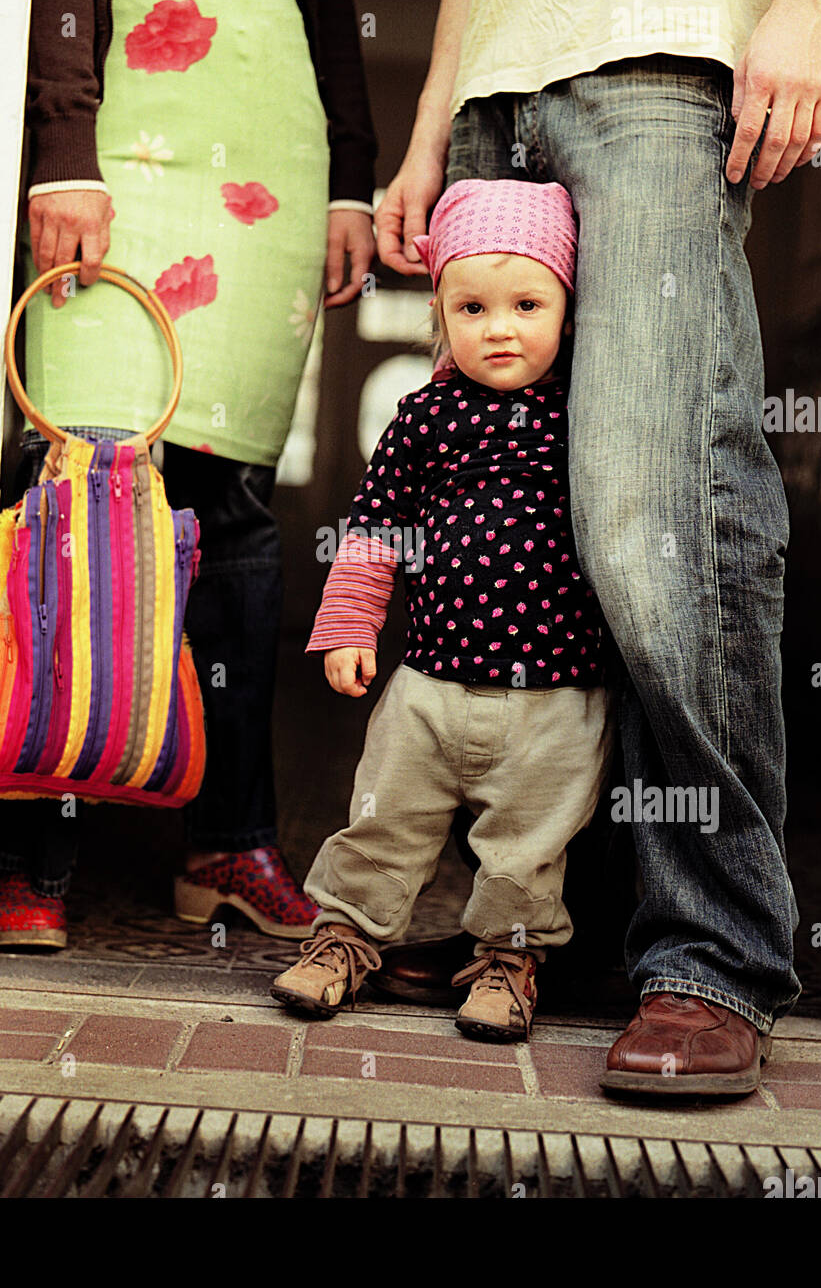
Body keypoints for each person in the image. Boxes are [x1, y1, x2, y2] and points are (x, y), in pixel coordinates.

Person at [373, 0, 821, 1095]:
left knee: (656, 516)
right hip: (498, 100)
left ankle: (712, 953)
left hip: (660, 62)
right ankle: (558, 927)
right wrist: (433, 123)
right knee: (534, 534)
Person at [0, 0, 377, 947]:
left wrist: (352, 179)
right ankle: (32, 854)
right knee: (82, 486)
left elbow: (330, 6)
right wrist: (63, 141)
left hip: (270, 168)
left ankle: (229, 844)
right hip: (121, 149)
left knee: (235, 508)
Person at [270, 178, 616, 1042]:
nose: (499, 327)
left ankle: (507, 959)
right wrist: (351, 626)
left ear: (568, 313)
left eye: (527, 303)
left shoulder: (589, 418)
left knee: (527, 853)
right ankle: (344, 936)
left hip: (556, 697)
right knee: (383, 819)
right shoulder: (425, 417)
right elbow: (378, 526)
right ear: (442, 316)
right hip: (427, 683)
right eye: (472, 307)